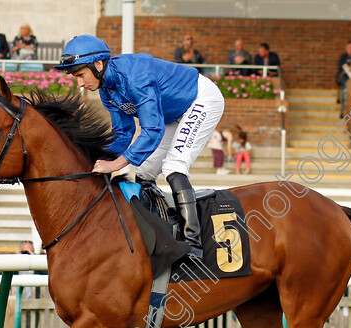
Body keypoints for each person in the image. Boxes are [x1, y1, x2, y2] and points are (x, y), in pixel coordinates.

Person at [55, 35, 225, 258]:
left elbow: (152, 129)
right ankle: (160, 228)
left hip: (200, 99)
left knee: (174, 166)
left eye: (80, 75)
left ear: (97, 65)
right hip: (171, 114)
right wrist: (98, 161)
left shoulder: (136, 76)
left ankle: (193, 244)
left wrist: (116, 163)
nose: (79, 83)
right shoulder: (106, 90)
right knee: (144, 171)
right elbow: (123, 133)